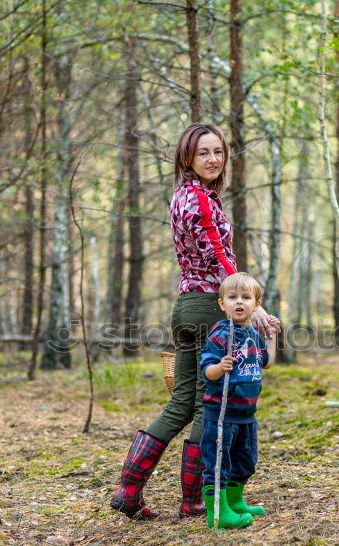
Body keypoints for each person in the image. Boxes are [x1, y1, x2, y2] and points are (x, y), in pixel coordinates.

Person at [110, 123, 280, 521]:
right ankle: (196, 500)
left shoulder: (183, 196)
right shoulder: (200, 200)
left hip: (186, 307)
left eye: (218, 151)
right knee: (209, 404)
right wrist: (251, 306)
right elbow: (219, 256)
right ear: (187, 157)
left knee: (182, 402)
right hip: (207, 307)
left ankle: (128, 489)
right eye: (203, 152)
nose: (213, 159)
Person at [200, 272, 276, 529]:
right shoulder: (220, 334)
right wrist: (220, 367)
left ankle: (235, 501)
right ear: (222, 304)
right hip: (221, 414)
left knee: (245, 460)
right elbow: (207, 371)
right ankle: (218, 513)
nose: (239, 302)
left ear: (257, 304)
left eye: (246, 297)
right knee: (219, 462)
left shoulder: (252, 334)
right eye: (232, 297)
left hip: (246, 413)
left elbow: (266, 363)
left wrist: (271, 336)